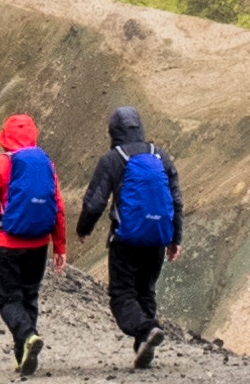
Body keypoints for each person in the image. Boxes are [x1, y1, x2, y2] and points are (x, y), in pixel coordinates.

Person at [75, 105, 185, 370]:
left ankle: (147, 331)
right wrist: (175, 238)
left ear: (113, 131)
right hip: (158, 238)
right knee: (145, 291)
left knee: (122, 294)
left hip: (125, 241)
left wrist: (83, 229)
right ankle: (143, 347)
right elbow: (176, 200)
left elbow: (95, 203)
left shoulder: (113, 159)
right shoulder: (161, 156)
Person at [0, 110, 67, 376]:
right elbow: (57, 205)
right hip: (38, 244)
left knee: (7, 297)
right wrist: (60, 246)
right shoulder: (46, 163)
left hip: (6, 243)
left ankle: (28, 336)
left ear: (4, 138)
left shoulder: (0, 164)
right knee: (29, 296)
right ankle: (23, 354)